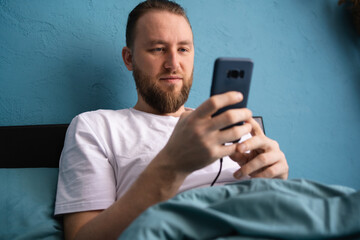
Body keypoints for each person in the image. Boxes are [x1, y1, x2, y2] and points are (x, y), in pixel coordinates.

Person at [55, 1, 289, 239]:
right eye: (158, 49)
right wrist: (173, 165)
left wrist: (277, 183)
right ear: (129, 58)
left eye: (184, 49)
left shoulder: (233, 124)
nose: (173, 64)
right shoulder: (96, 127)